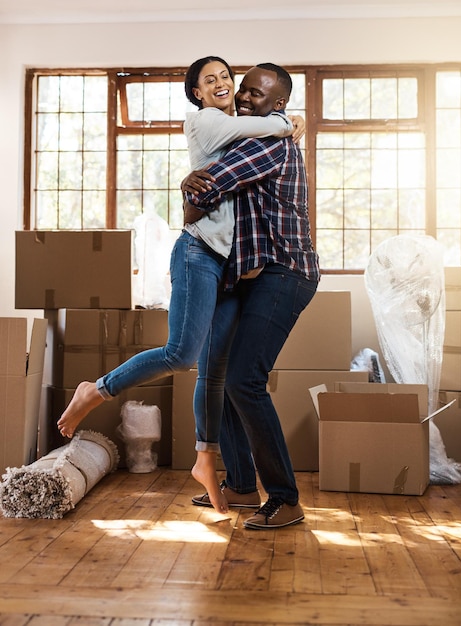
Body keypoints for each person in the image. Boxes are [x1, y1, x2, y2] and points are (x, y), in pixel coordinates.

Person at [57, 56, 303, 515]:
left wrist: (282, 123)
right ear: (197, 94)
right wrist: (289, 122)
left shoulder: (239, 129)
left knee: (218, 372)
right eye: (211, 81)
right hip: (197, 253)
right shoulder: (207, 121)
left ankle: (209, 462)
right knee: (182, 354)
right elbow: (208, 187)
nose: (226, 86)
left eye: (227, 77)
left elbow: (225, 176)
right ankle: (97, 389)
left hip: (227, 265)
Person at [183, 63, 320, 529]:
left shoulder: (271, 144)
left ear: (278, 106)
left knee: (243, 380)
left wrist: (191, 180)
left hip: (287, 274)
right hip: (253, 277)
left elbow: (204, 192)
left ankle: (285, 498)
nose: (243, 98)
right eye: (243, 89)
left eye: (256, 95)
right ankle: (241, 484)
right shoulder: (251, 137)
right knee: (218, 373)